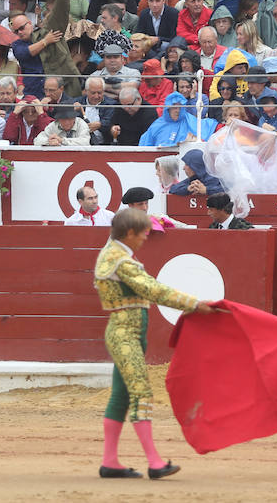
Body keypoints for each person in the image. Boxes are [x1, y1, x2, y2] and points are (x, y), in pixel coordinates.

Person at [95, 206, 220, 481]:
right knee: (141, 393)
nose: (145, 238)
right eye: (142, 233)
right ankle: (154, 462)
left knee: (121, 396)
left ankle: (110, 462)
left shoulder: (116, 253)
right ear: (128, 233)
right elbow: (153, 290)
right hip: (125, 334)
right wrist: (195, 304)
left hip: (128, 331)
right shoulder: (120, 260)